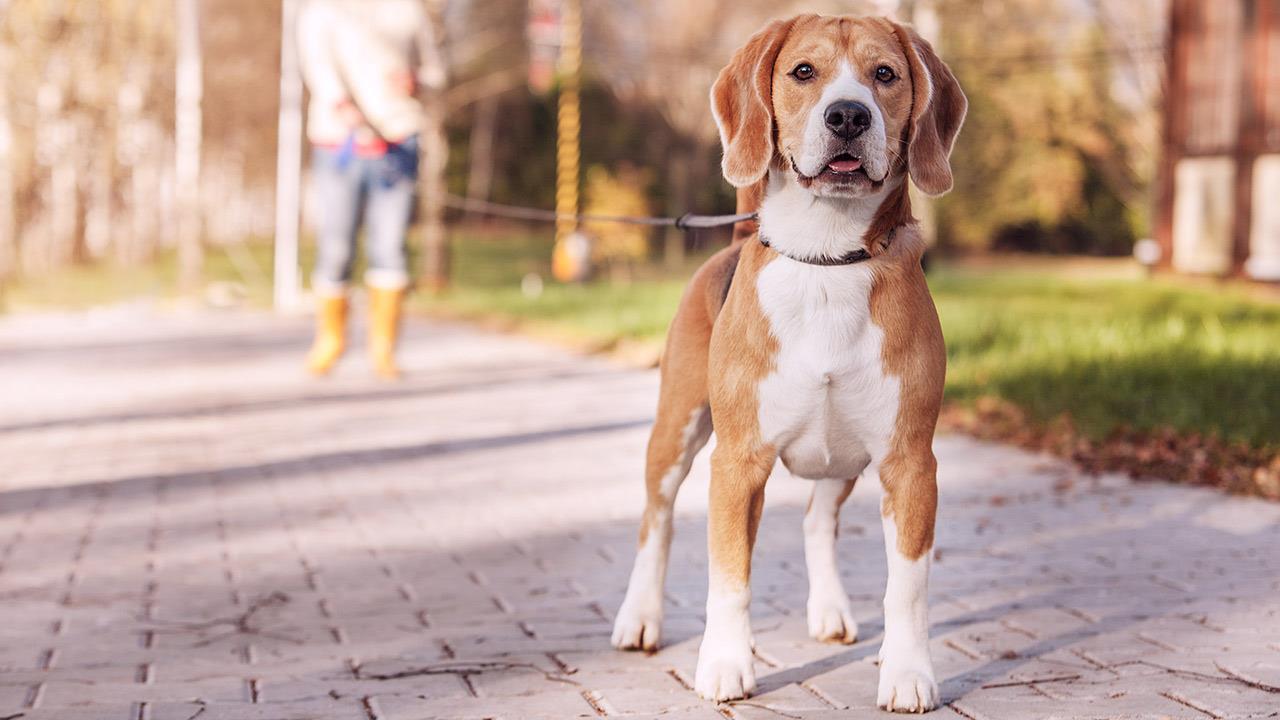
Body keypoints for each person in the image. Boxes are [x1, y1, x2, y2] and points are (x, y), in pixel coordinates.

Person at [298, 0, 445, 379]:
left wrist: (416, 80)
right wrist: (347, 112)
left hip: (398, 141)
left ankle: (384, 350)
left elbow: (436, 72)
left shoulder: (408, 12)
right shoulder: (322, 12)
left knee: (391, 245)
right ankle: (330, 341)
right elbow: (319, 69)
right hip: (340, 142)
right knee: (336, 245)